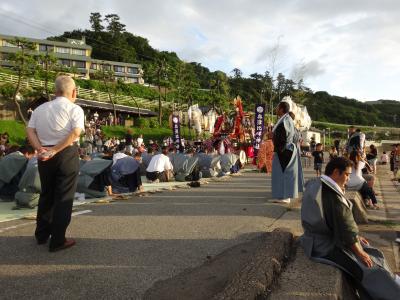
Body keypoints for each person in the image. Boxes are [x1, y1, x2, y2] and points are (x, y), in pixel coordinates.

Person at [300, 157, 400, 299]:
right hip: (325, 246)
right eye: (347, 174)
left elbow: (339, 224)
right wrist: (359, 252)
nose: (348, 179)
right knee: (368, 268)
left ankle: (392, 282)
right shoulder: (334, 197)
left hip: (312, 238)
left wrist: (357, 239)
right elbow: (347, 227)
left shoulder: (314, 184)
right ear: (336, 172)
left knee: (372, 253)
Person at [26, 75, 84, 252]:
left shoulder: (40, 109)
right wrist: (56, 150)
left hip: (45, 155)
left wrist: (40, 149)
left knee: (47, 194)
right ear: (73, 92)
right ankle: (58, 240)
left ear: (55, 91)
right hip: (65, 153)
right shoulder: (75, 109)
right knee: (64, 197)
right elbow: (75, 133)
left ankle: (41, 234)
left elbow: (30, 130)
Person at [271, 101, 302, 204]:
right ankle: (281, 196)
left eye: (277, 107)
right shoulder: (285, 119)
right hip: (284, 149)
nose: (276, 109)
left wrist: (279, 149)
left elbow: (283, 136)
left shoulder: (285, 120)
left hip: (284, 150)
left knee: (284, 173)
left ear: (281, 109)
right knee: (280, 174)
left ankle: (286, 197)